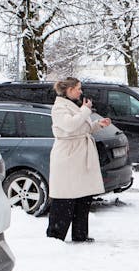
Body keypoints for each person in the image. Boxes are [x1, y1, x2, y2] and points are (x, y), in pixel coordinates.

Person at [46, 77, 111, 243]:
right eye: (78, 88)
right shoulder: (59, 107)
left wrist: (98, 124)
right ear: (69, 90)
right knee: (64, 197)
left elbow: (81, 127)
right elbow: (70, 126)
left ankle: (80, 233)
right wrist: (85, 110)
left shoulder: (74, 106)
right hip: (68, 157)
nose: (81, 91)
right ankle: (55, 236)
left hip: (80, 155)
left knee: (83, 197)